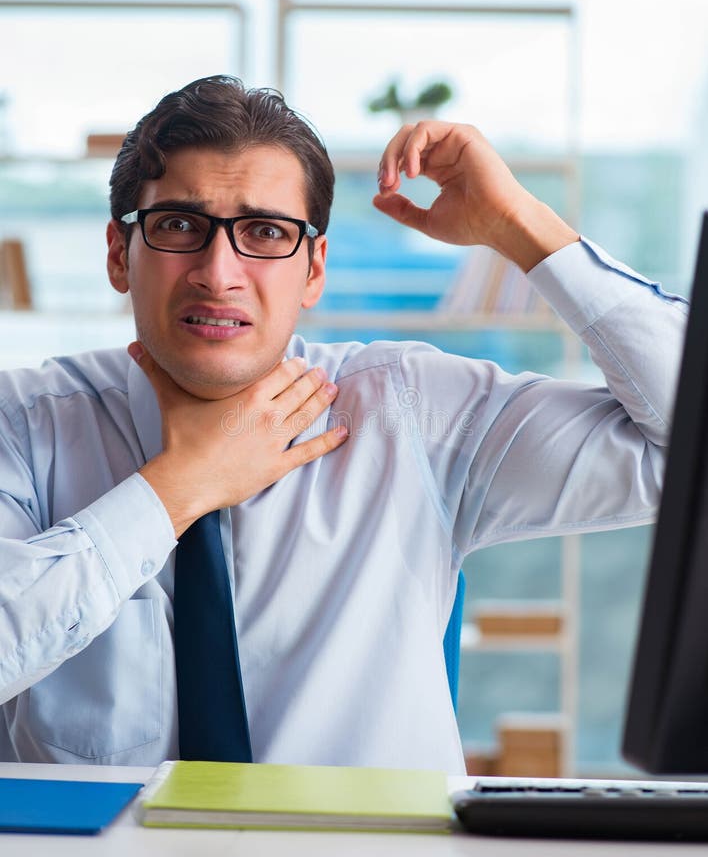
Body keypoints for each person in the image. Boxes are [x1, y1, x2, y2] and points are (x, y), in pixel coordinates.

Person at [0, 76, 686, 773]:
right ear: (120, 254)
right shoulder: (22, 425)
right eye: (179, 225)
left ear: (314, 269)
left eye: (265, 232)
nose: (219, 273)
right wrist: (178, 488)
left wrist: (519, 226)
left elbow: (686, 449)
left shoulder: (406, 408)